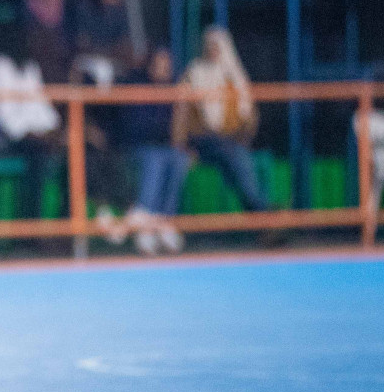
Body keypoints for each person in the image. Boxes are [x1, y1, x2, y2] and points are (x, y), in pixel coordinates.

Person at [176, 26, 271, 216]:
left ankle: (262, 216)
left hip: (233, 141)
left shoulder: (236, 77)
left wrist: (244, 136)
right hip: (203, 141)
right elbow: (181, 115)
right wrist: (180, 145)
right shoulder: (192, 74)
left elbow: (251, 116)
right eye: (209, 46)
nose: (212, 50)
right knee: (233, 154)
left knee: (235, 154)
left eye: (216, 46)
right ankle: (264, 215)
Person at [0, 20, 61, 220]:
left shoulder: (29, 67)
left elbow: (41, 106)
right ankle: (31, 227)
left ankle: (61, 228)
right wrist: (34, 135)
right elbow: (2, 117)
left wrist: (54, 130)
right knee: (37, 153)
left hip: (28, 137)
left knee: (60, 150)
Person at [114, 47, 190, 255]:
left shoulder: (174, 90)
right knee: (155, 159)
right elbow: (135, 126)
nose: (162, 68)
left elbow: (179, 131)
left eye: (166, 64)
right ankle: (145, 228)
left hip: (166, 149)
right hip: (139, 147)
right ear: (150, 64)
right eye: (158, 63)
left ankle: (165, 223)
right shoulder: (137, 86)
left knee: (179, 158)